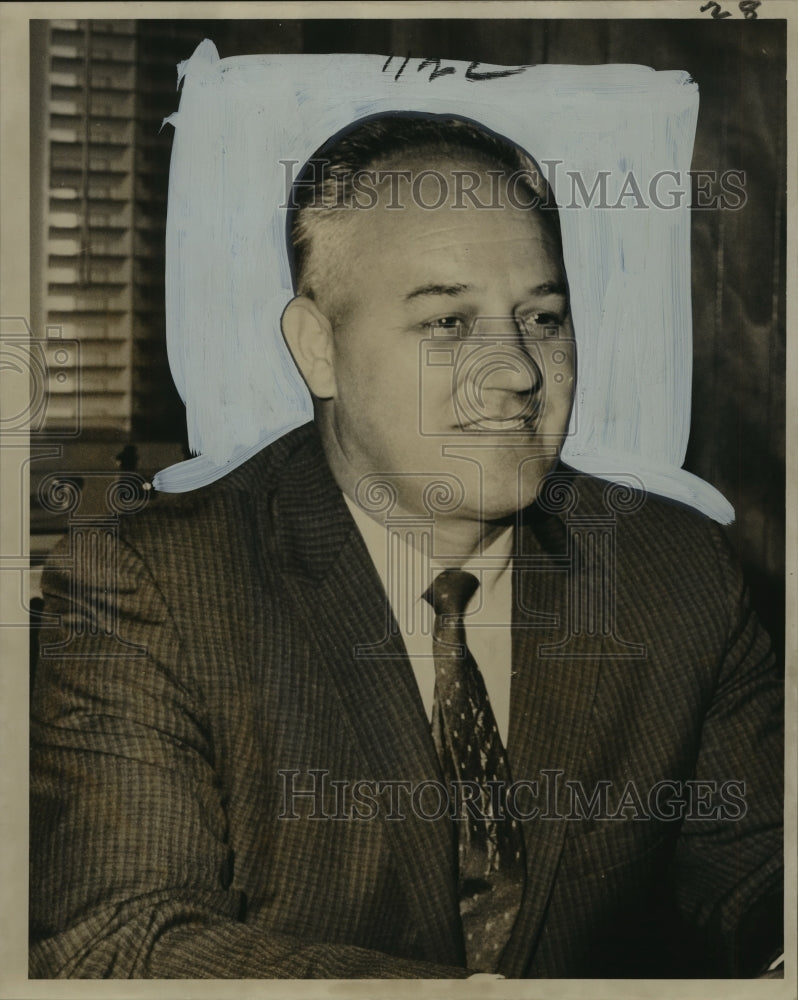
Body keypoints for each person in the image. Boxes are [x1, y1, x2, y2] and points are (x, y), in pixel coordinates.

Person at [29, 113, 783, 979]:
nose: (517, 372)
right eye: (449, 325)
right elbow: (115, 944)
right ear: (320, 351)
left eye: (542, 316)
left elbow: (756, 872)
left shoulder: (674, 567)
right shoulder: (149, 587)